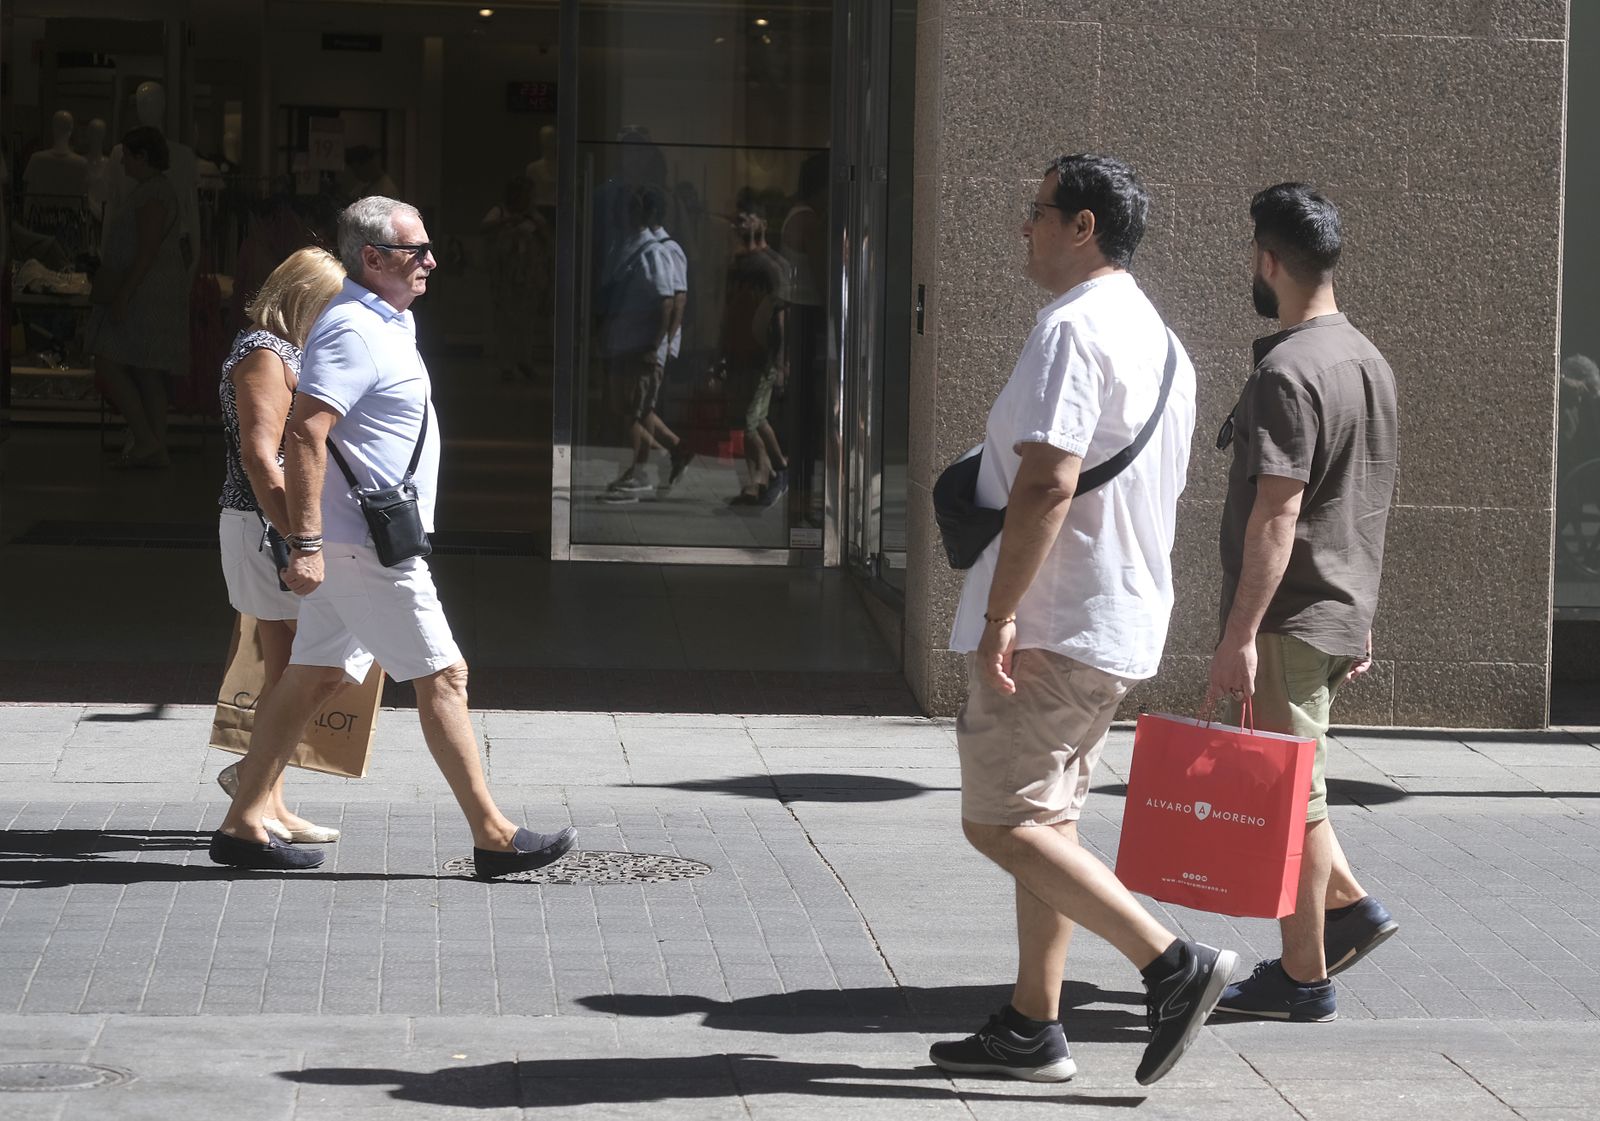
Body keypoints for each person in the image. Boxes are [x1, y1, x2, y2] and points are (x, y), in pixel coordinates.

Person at [930, 154, 1232, 1088]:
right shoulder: (1164, 341)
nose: (1025, 227)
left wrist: (1003, 612)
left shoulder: (1074, 328)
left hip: (1056, 616)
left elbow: (1050, 478)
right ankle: (1032, 1020)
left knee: (1001, 821)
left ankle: (1170, 963)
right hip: (1118, 611)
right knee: (1048, 820)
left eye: (1038, 212)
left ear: (1084, 226)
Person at [210, 195, 577, 874]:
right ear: (372, 258)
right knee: (444, 674)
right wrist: (309, 542)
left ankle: (243, 822)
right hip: (364, 547)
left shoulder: (385, 321)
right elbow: (305, 430)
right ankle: (493, 833)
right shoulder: (353, 327)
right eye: (417, 252)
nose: (432, 262)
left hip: (359, 541)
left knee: (314, 676)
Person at [1207, 183, 1399, 1021]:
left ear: (1269, 260)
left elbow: (1279, 510)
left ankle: (1303, 974)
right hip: (1336, 606)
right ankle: (1351, 911)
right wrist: (1360, 616)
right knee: (1302, 783)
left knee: (1293, 796)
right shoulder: (1367, 358)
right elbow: (1363, 498)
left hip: (1289, 613)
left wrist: (1239, 632)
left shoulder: (1288, 370)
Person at [214, 246, 348, 845]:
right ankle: (254, 788)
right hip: (263, 525)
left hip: (272, 526)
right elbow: (260, 456)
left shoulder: (283, 351)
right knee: (302, 667)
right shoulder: (264, 354)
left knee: (290, 670)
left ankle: (267, 799)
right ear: (306, 299)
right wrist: (302, 539)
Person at [89, 126, 189, 469]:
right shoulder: (153, 190)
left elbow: (146, 251)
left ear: (141, 157)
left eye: (126, 158)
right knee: (148, 370)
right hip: (152, 289)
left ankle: (146, 438)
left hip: (147, 292)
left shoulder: (152, 195)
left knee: (108, 358)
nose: (123, 165)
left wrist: (123, 295)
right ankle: (155, 446)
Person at [598, 185, 692, 501]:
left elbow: (671, 299)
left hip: (642, 347)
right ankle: (675, 451)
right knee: (636, 408)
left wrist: (658, 344)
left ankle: (644, 467)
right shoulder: (632, 245)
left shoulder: (657, 250)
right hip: (628, 344)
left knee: (632, 412)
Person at [719, 194, 790, 507]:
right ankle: (773, 473)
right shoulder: (737, 263)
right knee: (752, 418)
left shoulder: (771, 265)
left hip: (762, 357)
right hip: (738, 354)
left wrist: (780, 361)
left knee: (749, 420)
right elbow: (729, 310)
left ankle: (765, 476)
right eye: (739, 217)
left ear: (762, 222)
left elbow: (781, 316)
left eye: (748, 216)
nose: (741, 222)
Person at [480, 175, 553, 383]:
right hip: (504, 278)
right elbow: (484, 228)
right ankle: (506, 364)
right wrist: (508, 222)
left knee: (526, 323)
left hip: (527, 278)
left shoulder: (533, 217)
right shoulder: (500, 212)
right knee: (505, 322)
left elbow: (547, 238)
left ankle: (524, 360)